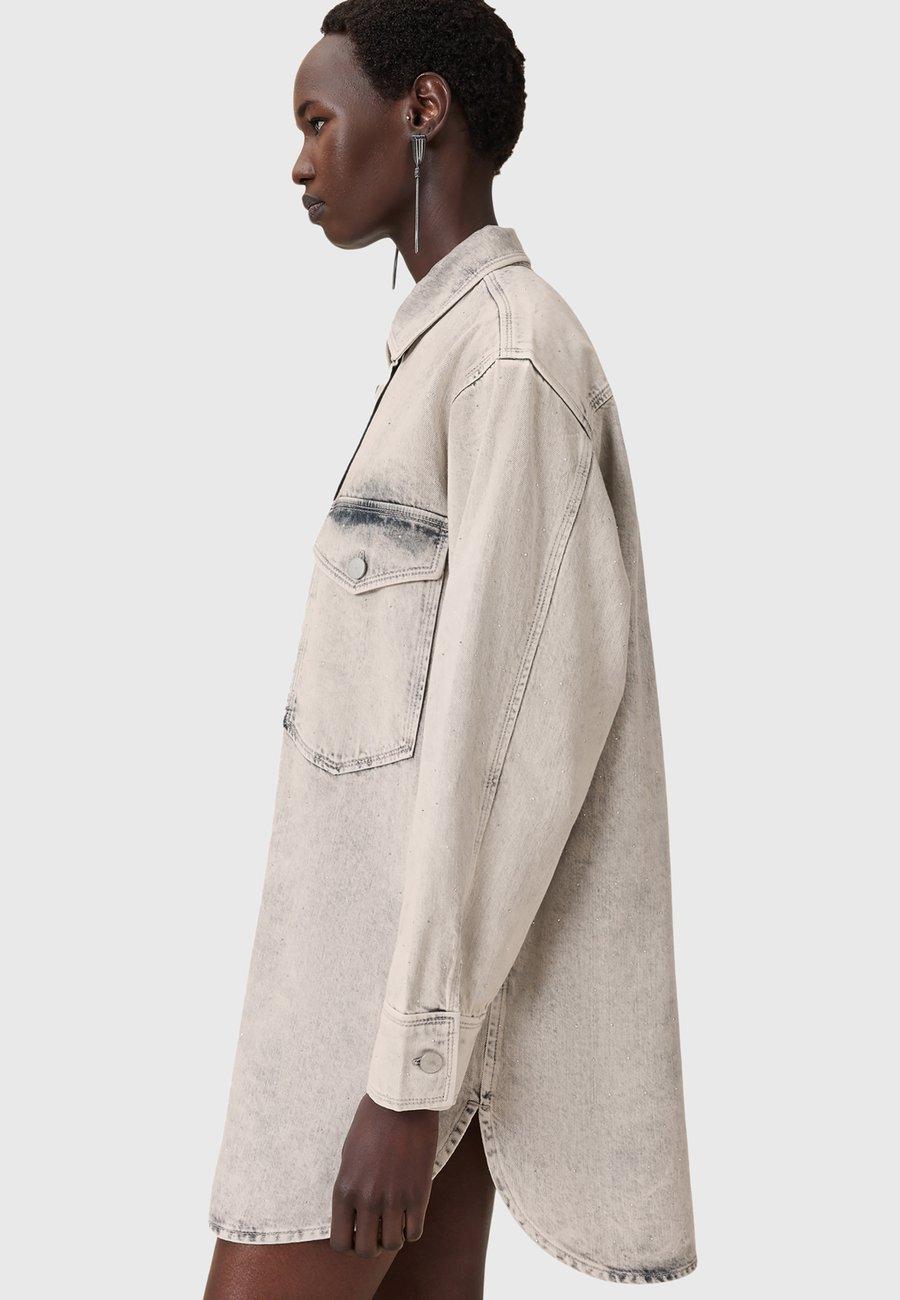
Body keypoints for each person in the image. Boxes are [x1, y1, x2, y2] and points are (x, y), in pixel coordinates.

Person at [204, 2, 696, 1296]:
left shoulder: (511, 361)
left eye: (320, 120)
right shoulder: (443, 358)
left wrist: (407, 1075)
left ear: (423, 109)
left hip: (390, 1043)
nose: (301, 162)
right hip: (370, 1013)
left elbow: (503, 741)